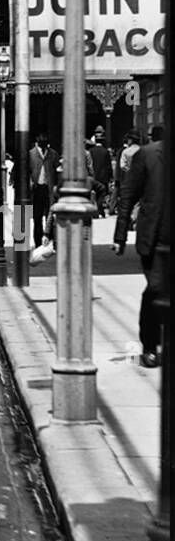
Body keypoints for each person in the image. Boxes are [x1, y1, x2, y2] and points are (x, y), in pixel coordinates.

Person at [113, 126, 166, 367]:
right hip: (155, 239)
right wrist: (120, 235)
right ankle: (150, 344)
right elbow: (128, 194)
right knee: (155, 289)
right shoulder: (147, 155)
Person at [28, 132, 59, 261]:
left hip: (49, 188)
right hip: (37, 189)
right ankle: (38, 242)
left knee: (50, 216)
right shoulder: (31, 154)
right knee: (37, 217)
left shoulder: (53, 154)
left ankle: (49, 241)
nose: (44, 141)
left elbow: (57, 171)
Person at [87, 127, 113, 219]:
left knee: (93, 194)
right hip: (103, 177)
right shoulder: (105, 152)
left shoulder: (90, 151)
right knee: (102, 194)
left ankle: (95, 210)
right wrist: (110, 177)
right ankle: (99, 209)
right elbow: (108, 166)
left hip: (93, 176)